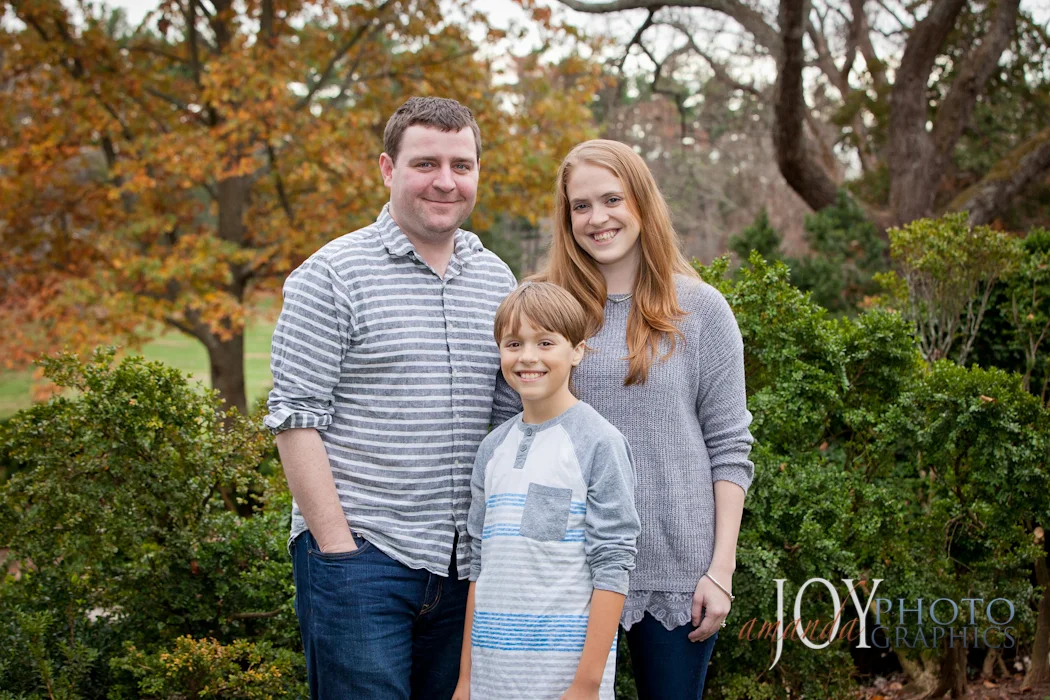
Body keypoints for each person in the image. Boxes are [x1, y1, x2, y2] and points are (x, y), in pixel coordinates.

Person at [265, 96, 519, 699]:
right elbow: (295, 420)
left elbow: (509, 419)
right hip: (363, 560)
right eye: (425, 163)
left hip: (465, 567)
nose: (445, 181)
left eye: (461, 165)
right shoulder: (331, 275)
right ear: (387, 168)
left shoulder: (497, 280)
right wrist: (338, 551)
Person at [538, 139, 755, 699]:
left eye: (612, 199)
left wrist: (721, 570)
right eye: (581, 206)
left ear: (642, 201)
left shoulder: (701, 310)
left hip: (678, 570)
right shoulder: (545, 312)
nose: (597, 218)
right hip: (568, 568)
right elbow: (521, 437)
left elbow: (730, 447)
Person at [453, 281, 641, 700]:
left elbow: (613, 565)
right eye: (513, 343)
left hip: (564, 684)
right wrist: (466, 681)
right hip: (490, 683)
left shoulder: (599, 442)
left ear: (576, 351)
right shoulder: (492, 448)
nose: (527, 356)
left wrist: (586, 685)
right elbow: (479, 567)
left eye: (545, 342)